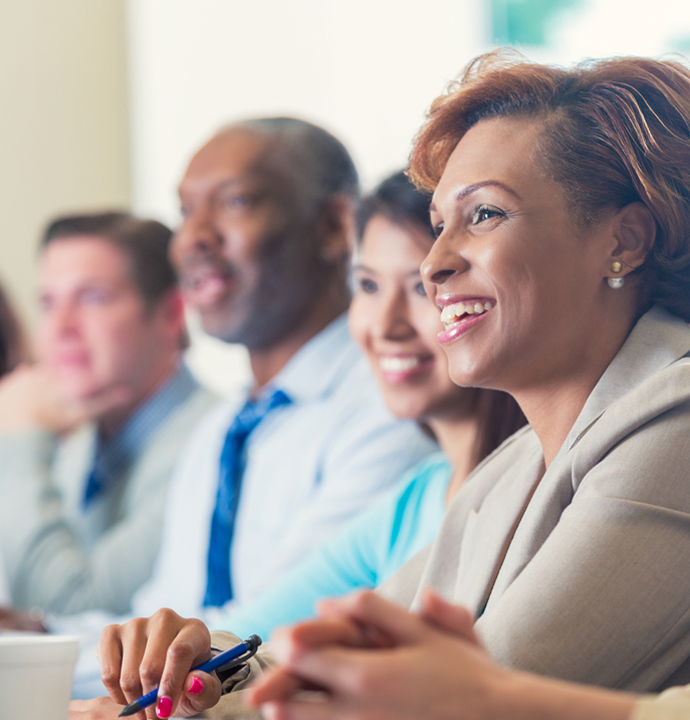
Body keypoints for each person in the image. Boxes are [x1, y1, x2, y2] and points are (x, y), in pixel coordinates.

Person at [76, 50, 690, 719]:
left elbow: (464, 697)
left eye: (484, 214)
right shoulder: (512, 472)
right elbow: (350, 658)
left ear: (624, 240)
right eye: (438, 225)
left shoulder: (673, 423)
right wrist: (203, 664)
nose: (434, 264)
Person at [201, 171, 525, 641]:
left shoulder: (534, 488)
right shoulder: (416, 498)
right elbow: (241, 640)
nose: (385, 326)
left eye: (420, 289)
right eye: (368, 287)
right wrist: (174, 657)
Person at [0, 212, 218, 619]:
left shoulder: (213, 441)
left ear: (172, 314)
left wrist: (19, 440)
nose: (59, 327)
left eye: (93, 297)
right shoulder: (73, 444)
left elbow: (73, 612)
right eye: (48, 303)